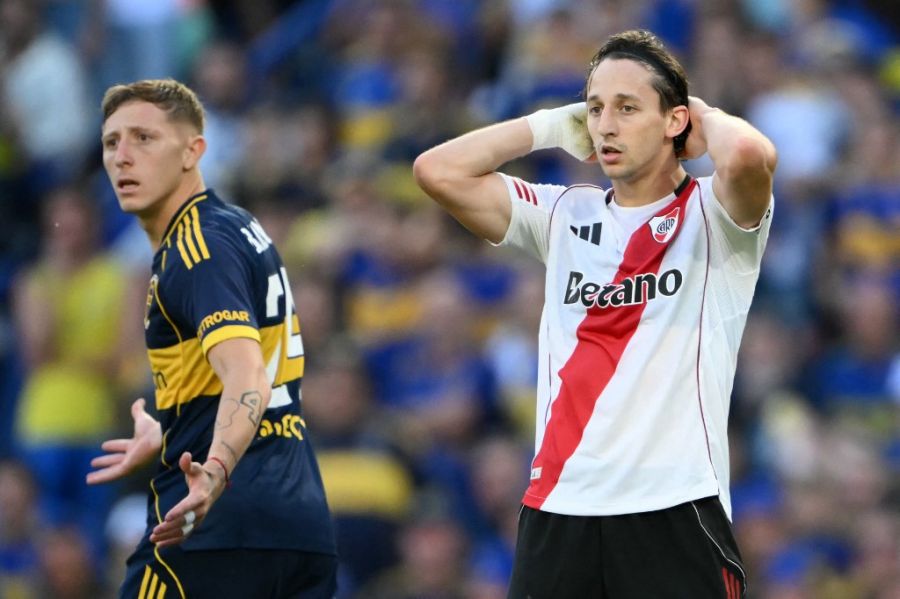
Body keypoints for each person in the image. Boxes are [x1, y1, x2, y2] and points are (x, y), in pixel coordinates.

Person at [414, 29, 777, 598]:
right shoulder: (561, 213)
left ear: (674, 121)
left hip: (673, 506)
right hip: (559, 508)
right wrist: (550, 125)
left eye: (628, 108)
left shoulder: (715, 216)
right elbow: (437, 171)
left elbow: (752, 156)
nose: (605, 125)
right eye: (595, 109)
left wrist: (705, 115)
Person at [86, 79, 337, 598]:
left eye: (144, 138)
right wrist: (175, 428)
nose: (122, 157)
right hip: (300, 525)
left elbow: (247, 375)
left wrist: (216, 468)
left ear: (193, 150)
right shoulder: (235, 226)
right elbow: (242, 371)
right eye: (112, 143)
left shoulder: (195, 247)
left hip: (216, 526)